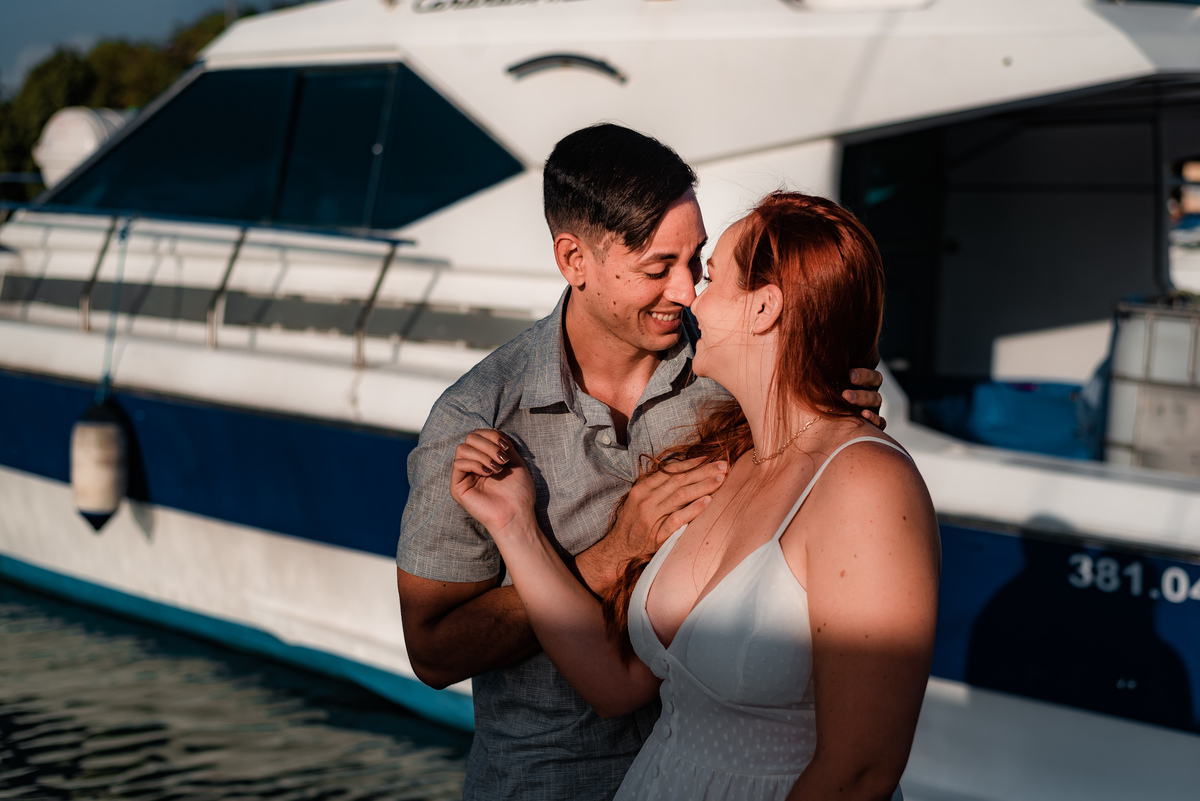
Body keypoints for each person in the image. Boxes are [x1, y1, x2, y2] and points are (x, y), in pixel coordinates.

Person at [396, 126, 884, 801]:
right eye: (658, 267)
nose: (685, 291)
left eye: (698, 260)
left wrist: (832, 411)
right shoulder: (476, 417)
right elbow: (432, 651)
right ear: (575, 259)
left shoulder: (733, 369)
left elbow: (819, 482)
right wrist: (615, 551)